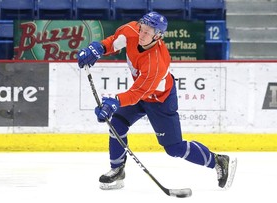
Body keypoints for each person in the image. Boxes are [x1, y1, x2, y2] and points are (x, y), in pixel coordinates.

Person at [77, 12, 236, 190]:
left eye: (147, 32)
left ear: (158, 36)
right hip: (141, 92)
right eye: (141, 29)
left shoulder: (157, 61)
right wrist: (98, 48)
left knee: (174, 148)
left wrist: (114, 102)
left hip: (161, 100)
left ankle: (217, 161)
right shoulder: (131, 30)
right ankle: (117, 169)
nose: (141, 35)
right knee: (117, 123)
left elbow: (136, 94)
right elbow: (114, 42)